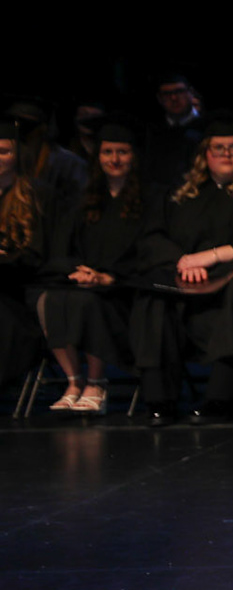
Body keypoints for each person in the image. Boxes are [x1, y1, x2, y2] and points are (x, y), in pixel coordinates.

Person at [129, 114, 233, 425]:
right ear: (205, 153)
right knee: (153, 297)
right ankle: (159, 400)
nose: (226, 154)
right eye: (218, 147)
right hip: (185, 282)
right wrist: (183, 260)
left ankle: (222, 397)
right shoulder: (181, 192)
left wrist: (213, 256)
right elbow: (152, 238)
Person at [39, 120, 155, 414]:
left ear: (134, 156)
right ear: (98, 156)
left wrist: (109, 278)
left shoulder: (152, 200)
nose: (114, 159)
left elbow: (150, 252)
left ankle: (96, 383)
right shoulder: (83, 199)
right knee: (49, 298)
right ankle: (73, 382)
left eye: (122, 152)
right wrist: (78, 271)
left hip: (125, 292)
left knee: (86, 301)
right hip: (84, 282)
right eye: (107, 152)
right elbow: (60, 248)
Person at [0, 120, 46, 388]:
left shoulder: (36, 196)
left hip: (18, 293)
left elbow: (37, 255)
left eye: (4, 151)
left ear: (18, 155)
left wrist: (6, 257)